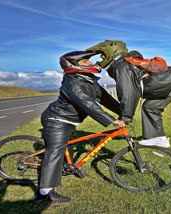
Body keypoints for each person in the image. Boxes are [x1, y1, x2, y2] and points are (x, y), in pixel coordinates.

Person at [34, 47, 128, 203]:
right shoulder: (72, 82)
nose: (91, 62)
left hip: (68, 121)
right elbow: (88, 103)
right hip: (57, 120)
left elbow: (104, 99)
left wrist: (122, 111)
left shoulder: (88, 79)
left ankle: (67, 167)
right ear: (74, 65)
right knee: (55, 151)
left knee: (68, 147)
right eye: (86, 60)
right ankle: (44, 193)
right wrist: (111, 120)